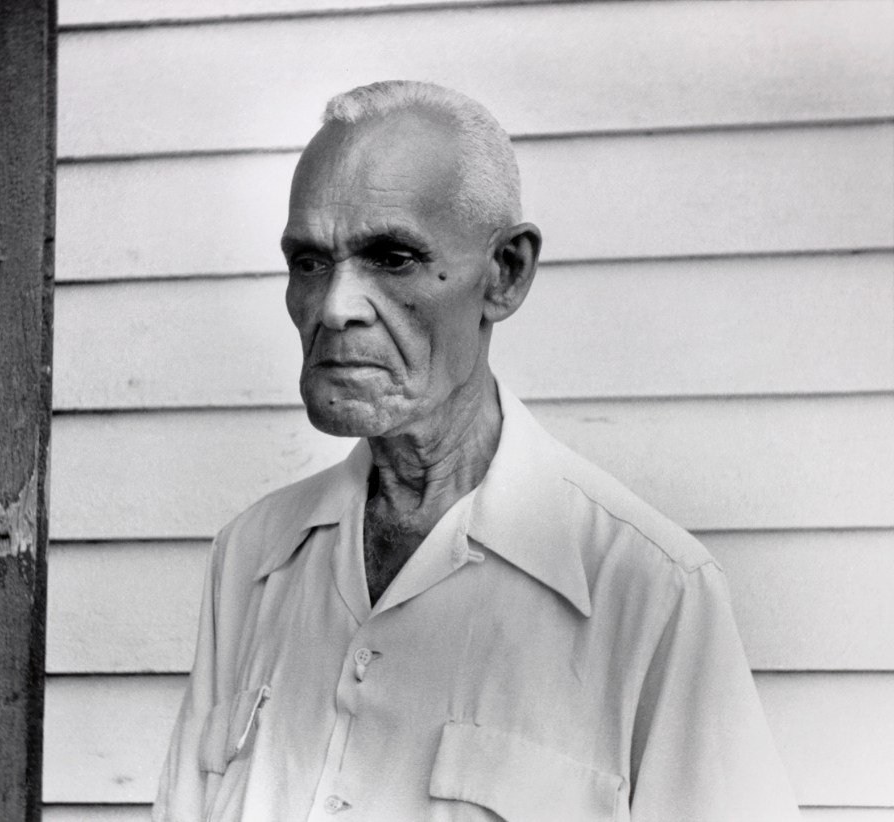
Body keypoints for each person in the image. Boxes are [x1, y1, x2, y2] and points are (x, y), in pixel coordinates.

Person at [153, 80, 800, 822]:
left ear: (506, 274)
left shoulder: (649, 592)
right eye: (308, 262)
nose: (334, 306)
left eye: (392, 257)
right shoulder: (255, 557)